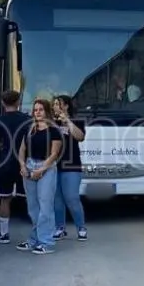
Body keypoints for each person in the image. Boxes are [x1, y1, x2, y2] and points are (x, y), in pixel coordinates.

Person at [16, 98, 63, 255]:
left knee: (45, 206)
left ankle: (46, 242)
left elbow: (54, 154)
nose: (37, 112)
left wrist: (41, 169)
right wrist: (22, 166)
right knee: (32, 207)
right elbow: (22, 150)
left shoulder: (54, 131)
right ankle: (35, 239)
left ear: (47, 111)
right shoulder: (29, 129)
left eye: (41, 109)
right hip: (29, 166)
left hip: (47, 168)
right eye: (35, 110)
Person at [0, 90, 30, 244]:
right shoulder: (27, 119)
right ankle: (34, 236)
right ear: (18, 102)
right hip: (24, 162)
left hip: (5, 162)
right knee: (31, 199)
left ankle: (4, 234)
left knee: (4, 198)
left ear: (2, 103)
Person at [51, 95, 88, 242]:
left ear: (66, 106)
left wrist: (67, 121)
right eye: (54, 104)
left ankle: (81, 227)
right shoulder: (51, 122)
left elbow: (80, 137)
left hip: (71, 165)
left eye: (58, 104)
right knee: (57, 199)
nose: (54, 106)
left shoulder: (77, 121)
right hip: (54, 165)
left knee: (72, 197)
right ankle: (60, 228)